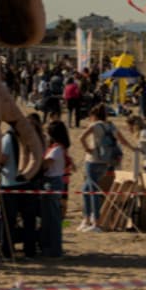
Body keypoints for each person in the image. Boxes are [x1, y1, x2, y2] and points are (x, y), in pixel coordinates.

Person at [77, 104, 129, 233]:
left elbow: (81, 138)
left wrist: (87, 149)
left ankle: (95, 221)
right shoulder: (110, 126)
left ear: (93, 115)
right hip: (105, 161)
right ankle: (87, 219)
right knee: (86, 188)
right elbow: (122, 140)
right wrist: (133, 148)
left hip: (93, 160)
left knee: (92, 189)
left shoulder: (95, 125)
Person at [38, 124, 70, 257]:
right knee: (48, 218)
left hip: (52, 182)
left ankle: (55, 250)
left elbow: (46, 164)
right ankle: (48, 248)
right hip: (53, 182)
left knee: (53, 219)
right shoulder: (57, 149)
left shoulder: (56, 150)